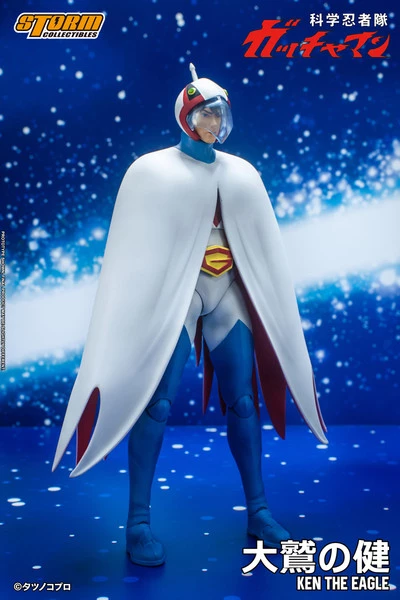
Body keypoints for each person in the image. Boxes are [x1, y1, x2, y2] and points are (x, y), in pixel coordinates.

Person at [52, 64, 327, 567]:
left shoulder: (242, 173)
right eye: (205, 114)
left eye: (220, 114)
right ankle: (138, 522)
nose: (214, 123)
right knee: (155, 403)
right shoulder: (151, 171)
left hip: (228, 292)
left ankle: (259, 511)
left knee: (243, 401)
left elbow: (264, 250)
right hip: (176, 295)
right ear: (186, 116)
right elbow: (129, 253)